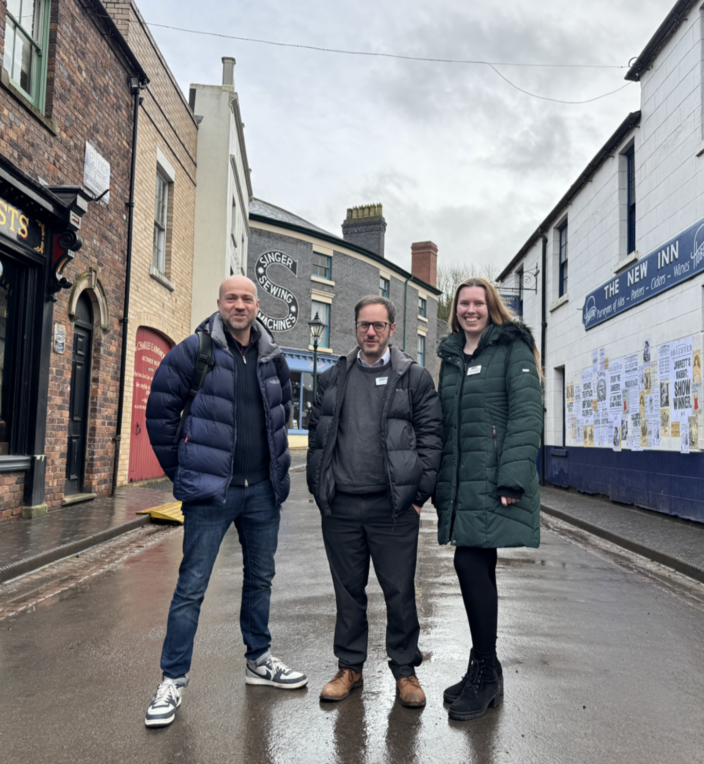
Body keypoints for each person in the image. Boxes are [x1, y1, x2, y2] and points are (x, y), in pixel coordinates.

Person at [142, 275, 306, 728]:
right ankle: (172, 679)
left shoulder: (273, 358)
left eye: (247, 298)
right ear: (219, 303)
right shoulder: (194, 351)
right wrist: (186, 472)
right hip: (212, 494)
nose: (239, 305)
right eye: (231, 298)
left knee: (261, 581)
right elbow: (159, 413)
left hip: (262, 493)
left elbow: (281, 414)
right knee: (191, 587)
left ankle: (260, 659)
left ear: (257, 305)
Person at [307, 295, 442, 708]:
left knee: (399, 592)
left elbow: (433, 438)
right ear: (355, 327)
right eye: (364, 325)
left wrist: (419, 496)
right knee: (348, 592)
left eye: (378, 326)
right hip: (342, 508)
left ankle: (405, 670)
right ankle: (350, 667)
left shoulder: (414, 378)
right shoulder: (333, 377)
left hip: (394, 508)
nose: (370, 332)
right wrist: (320, 490)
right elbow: (317, 439)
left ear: (391, 330)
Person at [434, 277, 543, 722]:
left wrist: (512, 478)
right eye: (464, 303)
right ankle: (486, 669)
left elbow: (527, 411)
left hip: (495, 480)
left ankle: (485, 670)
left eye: (479, 303)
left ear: (491, 306)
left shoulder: (512, 349)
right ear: (455, 310)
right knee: (476, 564)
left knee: (471, 563)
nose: (471, 310)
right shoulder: (453, 357)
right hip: (463, 482)